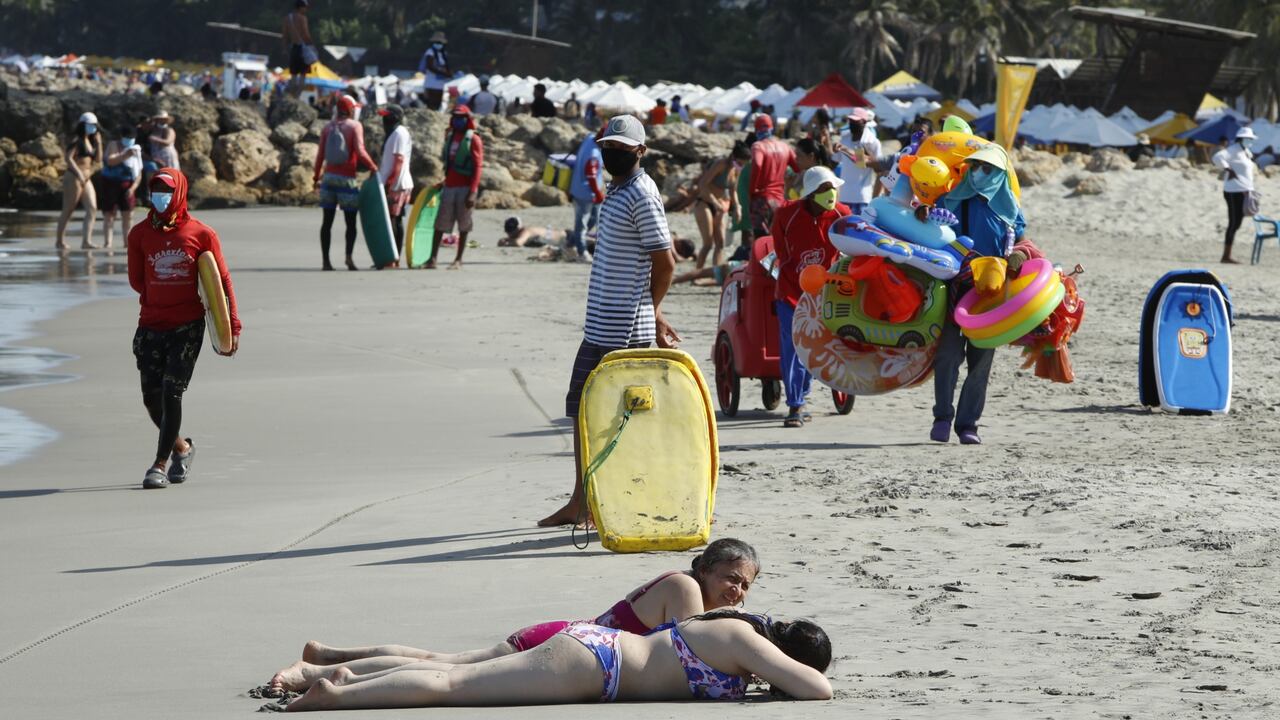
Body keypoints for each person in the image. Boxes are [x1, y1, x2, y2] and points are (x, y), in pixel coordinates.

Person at [268, 539, 761, 691]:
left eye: (745, 585)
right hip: (557, 647)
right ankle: (315, 673)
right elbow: (686, 648)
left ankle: (330, 657)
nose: (736, 591)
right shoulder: (683, 587)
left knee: (442, 660)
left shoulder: (687, 588)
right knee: (447, 668)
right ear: (704, 567)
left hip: (564, 644)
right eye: (731, 577)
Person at [538, 115, 678, 528]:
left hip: (623, 333)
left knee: (619, 422)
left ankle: (621, 502)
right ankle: (582, 502)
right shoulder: (617, 190)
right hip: (600, 327)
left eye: (620, 147)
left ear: (640, 151)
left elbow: (665, 262)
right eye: (607, 146)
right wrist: (654, 308)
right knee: (583, 413)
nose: (611, 152)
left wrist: (650, 312)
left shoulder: (641, 193)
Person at [272, 608, 831, 711]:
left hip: (594, 656)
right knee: (450, 683)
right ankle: (335, 695)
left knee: (453, 671)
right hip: (596, 666)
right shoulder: (746, 640)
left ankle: (340, 677)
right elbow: (817, 691)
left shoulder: (734, 632)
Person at [127, 169, 241, 489]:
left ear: (178, 193)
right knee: (152, 400)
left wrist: (231, 326)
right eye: (155, 190)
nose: (159, 196)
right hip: (150, 324)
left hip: (187, 327)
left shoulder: (202, 234)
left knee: (171, 391)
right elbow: (137, 281)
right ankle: (182, 449)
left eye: (166, 190)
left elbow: (221, 283)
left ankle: (159, 465)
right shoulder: (139, 235)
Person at [933, 144, 1034, 445]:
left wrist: (1018, 256)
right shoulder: (950, 200)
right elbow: (928, 234)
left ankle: (968, 425)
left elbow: (1026, 245)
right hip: (954, 287)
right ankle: (942, 417)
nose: (977, 173)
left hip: (991, 293)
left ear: (1000, 174)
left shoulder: (1009, 211)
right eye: (974, 167)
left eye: (986, 168)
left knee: (980, 363)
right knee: (948, 356)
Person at [771, 166, 851, 428]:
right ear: (811, 193)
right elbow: (782, 252)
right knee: (793, 347)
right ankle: (795, 405)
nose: (830, 193)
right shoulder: (786, 214)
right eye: (824, 189)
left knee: (817, 346)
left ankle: (803, 391)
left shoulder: (843, 214)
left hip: (827, 293)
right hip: (791, 291)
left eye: (833, 188)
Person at [312, 94, 377, 271]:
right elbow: (360, 151)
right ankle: (349, 258)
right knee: (351, 222)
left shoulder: (327, 127)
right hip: (347, 179)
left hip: (329, 179)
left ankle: (326, 261)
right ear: (350, 110)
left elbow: (320, 155)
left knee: (327, 222)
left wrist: (316, 177)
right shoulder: (354, 126)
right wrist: (373, 167)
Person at [424, 105, 483, 270]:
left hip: (465, 188)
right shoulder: (450, 137)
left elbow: (478, 167)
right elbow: (449, 164)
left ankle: (458, 260)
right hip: (450, 186)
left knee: (464, 225)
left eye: (461, 117)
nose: (457, 120)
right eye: (455, 117)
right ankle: (432, 259)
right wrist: (444, 181)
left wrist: (472, 192)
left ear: (467, 119)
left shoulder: (474, 139)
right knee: (440, 223)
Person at [693, 141, 749, 269]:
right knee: (708, 243)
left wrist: (738, 207)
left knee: (720, 243)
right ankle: (696, 274)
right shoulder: (721, 164)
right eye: (740, 163)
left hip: (721, 206)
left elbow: (733, 190)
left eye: (743, 165)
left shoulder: (736, 170)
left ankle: (715, 274)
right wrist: (714, 201)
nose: (741, 166)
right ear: (734, 157)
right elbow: (702, 184)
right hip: (705, 203)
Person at [55, 112, 103, 251]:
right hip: (74, 177)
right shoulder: (77, 140)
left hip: (87, 178)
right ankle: (59, 241)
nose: (93, 128)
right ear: (83, 125)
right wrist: (78, 174)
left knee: (92, 207)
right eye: (90, 125)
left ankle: (86, 241)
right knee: (68, 209)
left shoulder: (92, 141)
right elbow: (68, 159)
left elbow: (98, 159)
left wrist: (99, 143)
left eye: (94, 125)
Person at [747, 114, 797, 239]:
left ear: (756, 129)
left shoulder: (758, 146)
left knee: (760, 239)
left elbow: (758, 165)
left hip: (762, 199)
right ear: (772, 127)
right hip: (780, 199)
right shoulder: (785, 146)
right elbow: (798, 168)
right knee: (777, 239)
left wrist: (752, 189)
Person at [1212, 126, 1257, 264]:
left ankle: (1227, 254)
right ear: (1242, 139)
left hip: (1244, 191)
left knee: (1237, 223)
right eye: (1248, 139)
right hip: (1233, 191)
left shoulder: (1245, 152)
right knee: (1233, 222)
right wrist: (1227, 169)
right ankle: (1226, 256)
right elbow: (1217, 157)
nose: (1250, 141)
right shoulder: (1233, 150)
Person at [376, 104, 413, 263]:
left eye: (387, 116)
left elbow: (399, 160)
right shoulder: (394, 133)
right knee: (392, 220)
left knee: (393, 220)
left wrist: (390, 185)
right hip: (394, 183)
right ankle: (392, 257)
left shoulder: (399, 133)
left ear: (395, 118)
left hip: (397, 184)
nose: (383, 120)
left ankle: (394, 257)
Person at [98, 124, 144, 249]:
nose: (129, 140)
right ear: (122, 136)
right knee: (109, 214)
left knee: (128, 216)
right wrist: (125, 155)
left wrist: (132, 188)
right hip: (110, 184)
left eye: (132, 137)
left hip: (127, 186)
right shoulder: (114, 145)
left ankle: (127, 243)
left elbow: (139, 173)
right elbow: (110, 161)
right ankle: (108, 242)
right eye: (128, 137)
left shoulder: (135, 150)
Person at [833, 108, 882, 215]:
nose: (852, 124)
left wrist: (846, 149)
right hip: (844, 196)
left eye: (856, 121)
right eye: (851, 121)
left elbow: (867, 165)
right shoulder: (844, 138)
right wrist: (827, 140)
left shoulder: (872, 142)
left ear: (864, 122)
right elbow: (834, 161)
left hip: (862, 197)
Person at [567, 131, 606, 262]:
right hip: (585, 193)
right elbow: (591, 174)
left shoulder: (589, 137)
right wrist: (598, 193)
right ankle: (582, 252)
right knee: (582, 223)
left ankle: (571, 244)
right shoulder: (594, 154)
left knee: (593, 219)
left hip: (578, 188)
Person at [417, 31, 450, 111]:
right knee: (431, 104)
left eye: (440, 42)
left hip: (440, 82)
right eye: (437, 42)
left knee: (437, 104)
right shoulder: (430, 52)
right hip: (431, 82)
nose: (439, 44)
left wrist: (448, 73)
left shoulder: (443, 54)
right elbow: (430, 66)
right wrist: (443, 73)